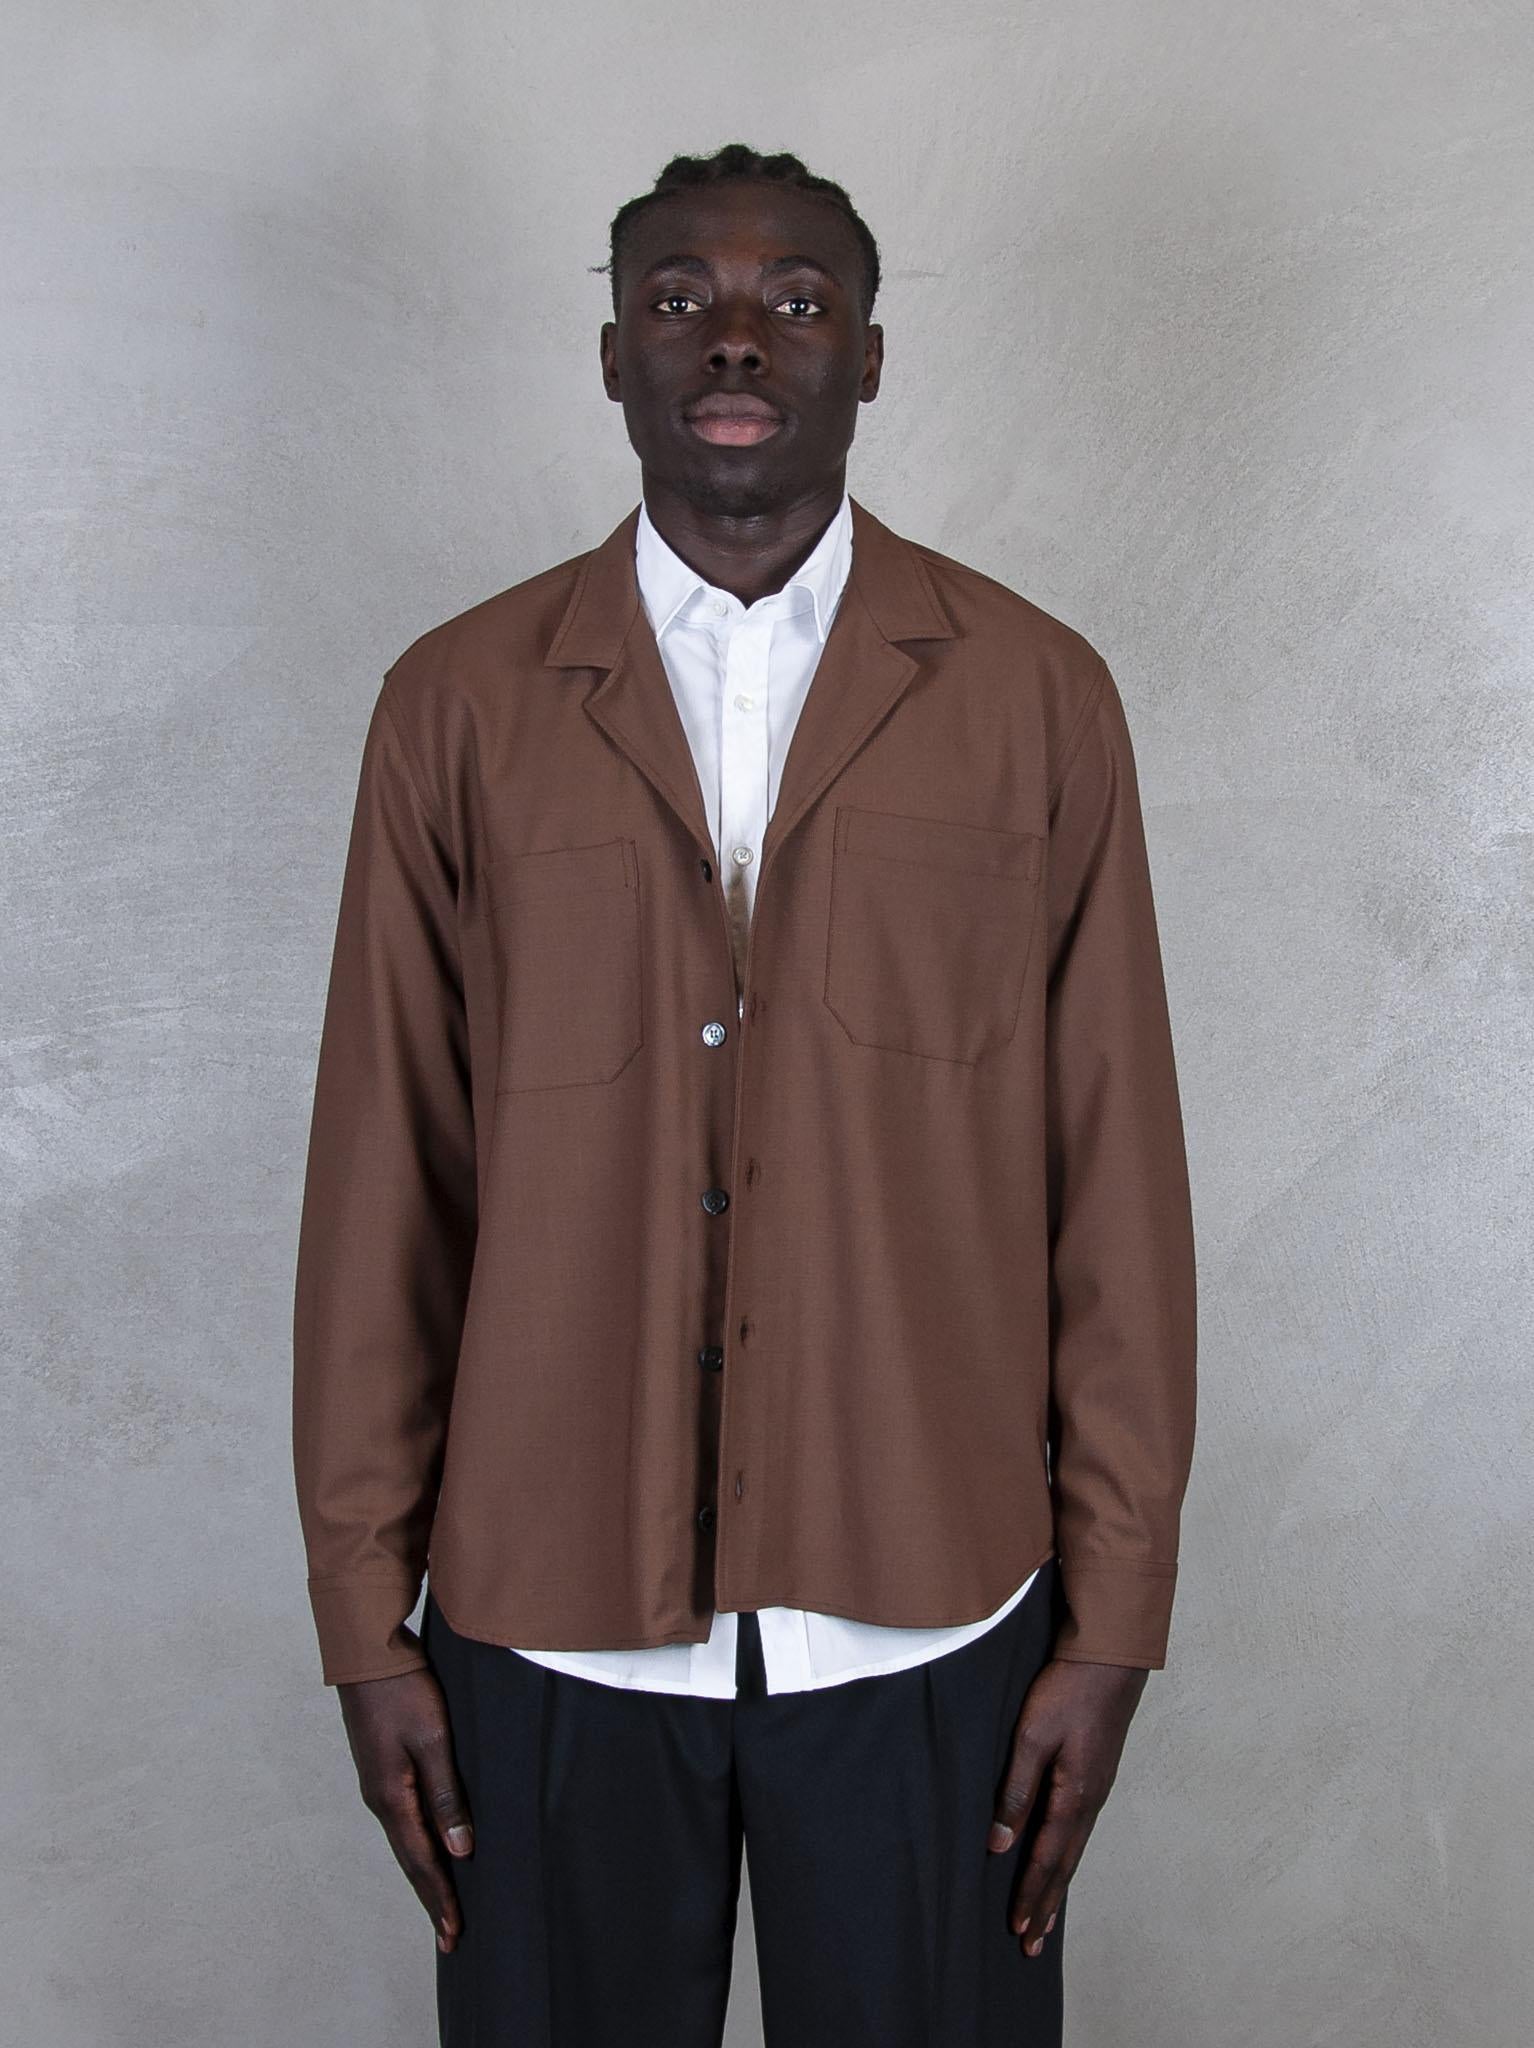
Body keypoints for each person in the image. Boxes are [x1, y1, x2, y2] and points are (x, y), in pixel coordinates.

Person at [291, 141, 1198, 2048]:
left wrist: (1113, 1612)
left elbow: (1111, 1178)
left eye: (794, 301)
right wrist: (362, 1621)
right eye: (676, 299)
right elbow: (389, 1183)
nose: (733, 339)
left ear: (868, 355)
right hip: (543, 1622)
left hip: (933, 1606)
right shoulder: (456, 704)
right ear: (610, 354)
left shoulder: (1035, 695)